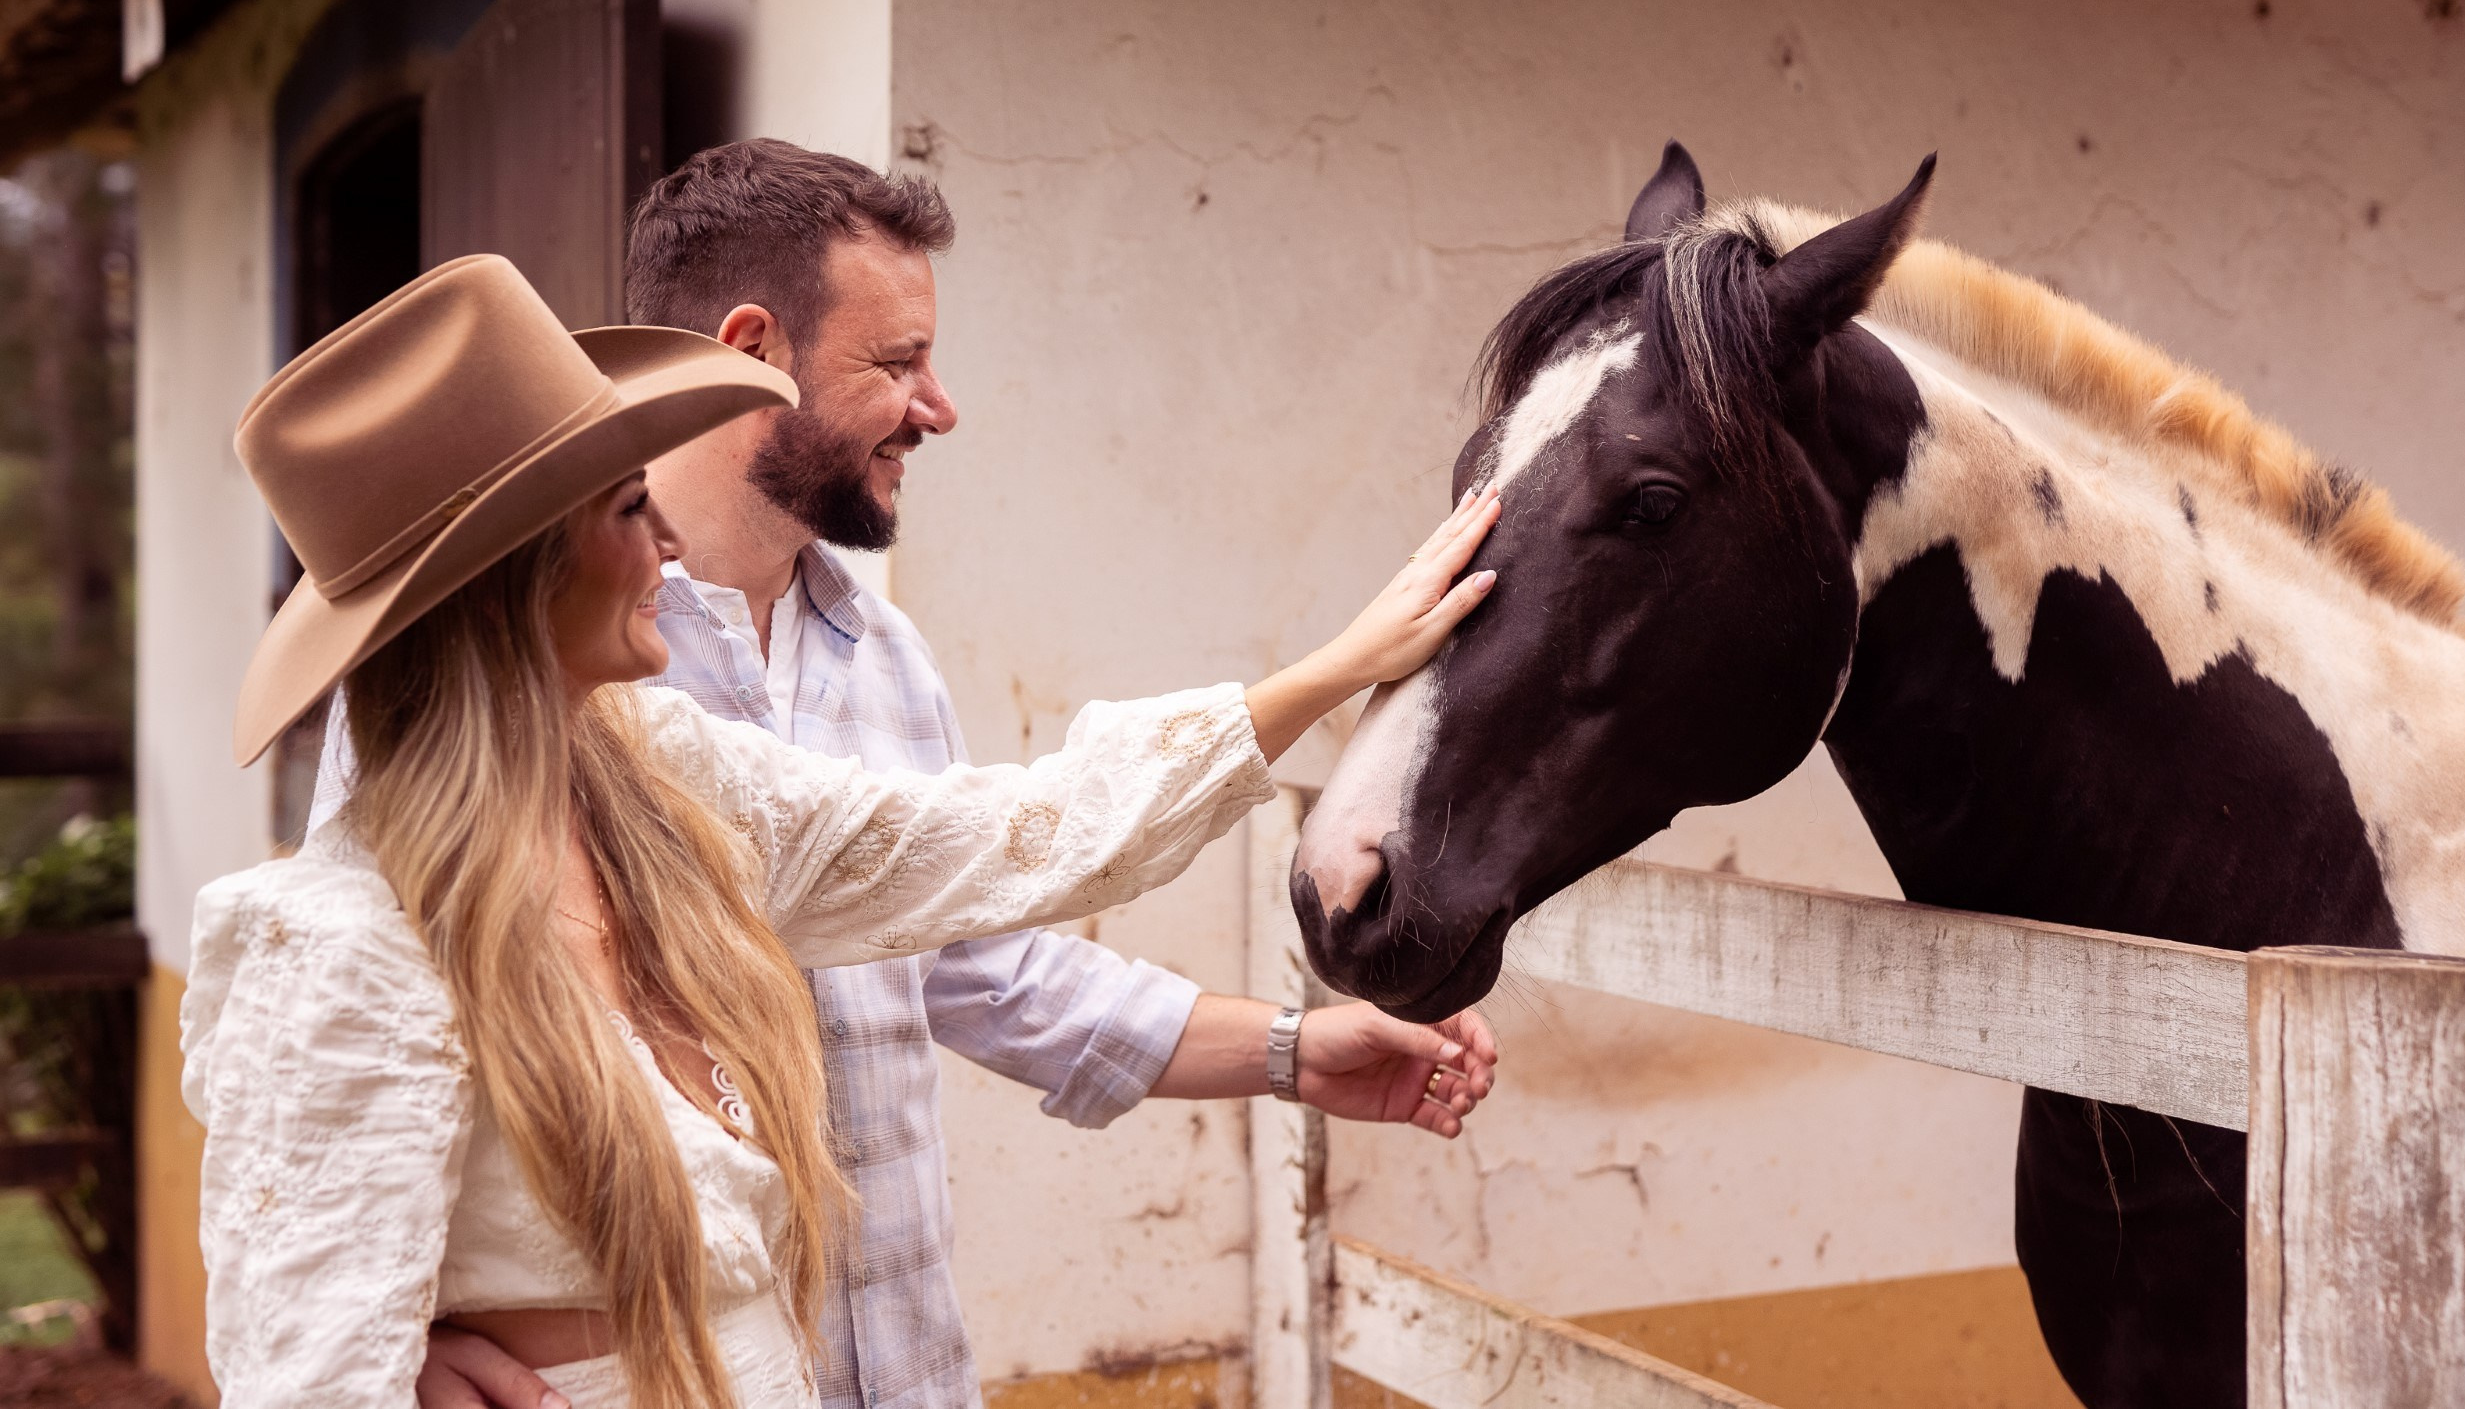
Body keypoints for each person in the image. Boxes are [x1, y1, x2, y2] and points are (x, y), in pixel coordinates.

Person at [182, 253, 1504, 1409]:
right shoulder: (342, 949)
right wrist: (399, 1340)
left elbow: (991, 856)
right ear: (519, 574)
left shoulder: (670, 791)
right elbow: (312, 1361)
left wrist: (1334, 676)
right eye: (629, 509)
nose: (664, 545)